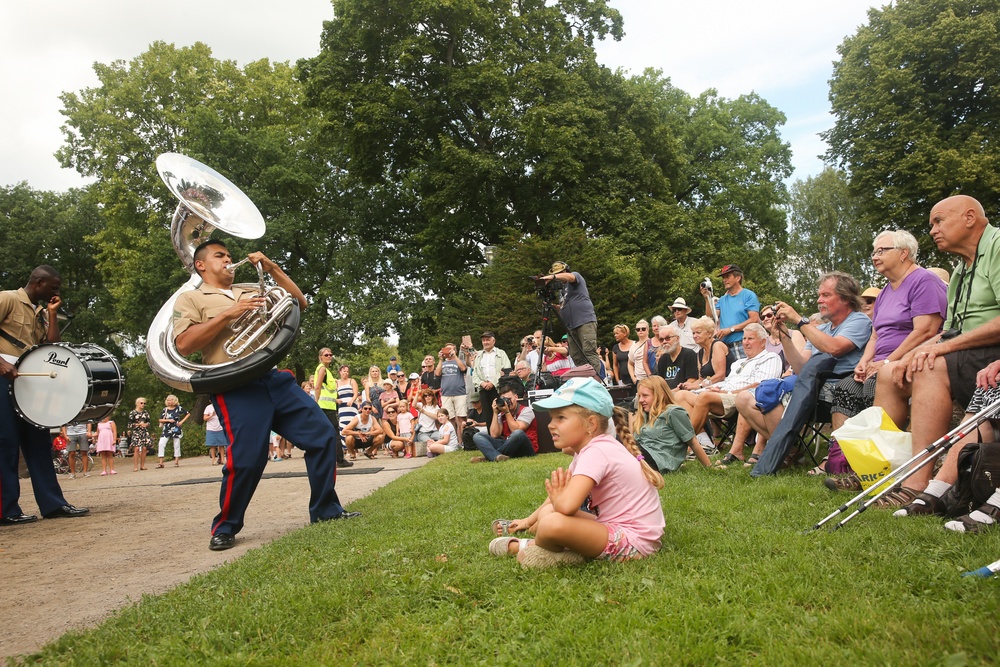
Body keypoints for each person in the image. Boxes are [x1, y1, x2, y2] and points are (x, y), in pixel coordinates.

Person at [173, 240, 358, 551]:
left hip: (273, 379)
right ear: (201, 265)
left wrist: (271, 267)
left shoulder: (250, 291)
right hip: (234, 386)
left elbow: (298, 302)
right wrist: (228, 315)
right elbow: (184, 345)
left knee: (324, 436)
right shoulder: (191, 298)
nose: (229, 260)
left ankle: (326, 511)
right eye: (220, 256)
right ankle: (226, 526)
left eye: (230, 255)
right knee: (247, 460)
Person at [872, 195, 1000, 506]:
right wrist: (907, 356)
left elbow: (951, 337)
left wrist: (937, 351)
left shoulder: (997, 248)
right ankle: (875, 470)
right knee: (892, 371)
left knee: (929, 364)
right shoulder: (961, 269)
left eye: (938, 221)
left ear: (969, 217)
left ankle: (918, 481)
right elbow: (949, 329)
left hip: (992, 353)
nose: (932, 230)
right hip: (969, 352)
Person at [487, 378, 664, 568]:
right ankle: (560, 549)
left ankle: (538, 548)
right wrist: (527, 521)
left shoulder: (597, 452)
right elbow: (555, 504)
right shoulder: (590, 450)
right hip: (617, 528)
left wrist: (558, 500)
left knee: (551, 524)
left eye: (560, 417)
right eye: (552, 417)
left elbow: (566, 506)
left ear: (591, 424)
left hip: (635, 542)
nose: (550, 424)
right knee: (547, 514)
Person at [824, 230, 946, 486]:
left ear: (903, 253)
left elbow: (926, 330)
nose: (875, 256)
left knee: (873, 386)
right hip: (880, 363)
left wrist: (888, 362)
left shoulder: (923, 281)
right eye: (874, 252)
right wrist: (864, 361)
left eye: (882, 250)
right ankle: (844, 461)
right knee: (844, 388)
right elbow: (875, 336)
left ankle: (884, 466)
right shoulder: (886, 292)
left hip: (911, 360)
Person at [746, 272, 872, 477]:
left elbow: (835, 348)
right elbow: (801, 368)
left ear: (846, 298)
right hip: (811, 389)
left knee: (774, 396)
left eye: (826, 295)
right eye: (819, 295)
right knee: (749, 399)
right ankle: (789, 451)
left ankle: (781, 453)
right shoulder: (821, 328)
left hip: (841, 389)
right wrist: (785, 336)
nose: (819, 300)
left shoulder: (859, 321)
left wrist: (799, 320)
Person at [0, 265, 89, 525]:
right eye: (53, 287)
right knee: (5, 442)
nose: (56, 291)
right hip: (3, 375)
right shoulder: (7, 298)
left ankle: (53, 504)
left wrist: (52, 314)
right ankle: (6, 510)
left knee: (38, 443)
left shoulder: (39, 311)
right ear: (38, 282)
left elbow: (51, 345)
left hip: (26, 382)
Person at [673, 324, 782, 442]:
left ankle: (686, 443)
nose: (745, 342)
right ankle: (704, 442)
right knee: (681, 395)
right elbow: (727, 381)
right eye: (744, 339)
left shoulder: (770, 358)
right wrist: (714, 388)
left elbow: (760, 386)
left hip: (742, 399)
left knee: (705, 397)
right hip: (723, 396)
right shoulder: (738, 363)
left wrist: (725, 392)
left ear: (762, 342)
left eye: (750, 339)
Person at [633, 376, 711, 472]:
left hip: (658, 460)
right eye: (639, 396)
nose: (640, 400)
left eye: (645, 396)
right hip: (641, 455)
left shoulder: (673, 412)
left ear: (660, 395)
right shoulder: (645, 415)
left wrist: (709, 467)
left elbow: (693, 441)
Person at [539, 261, 601, 371]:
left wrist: (552, 277)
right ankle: (585, 379)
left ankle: (595, 381)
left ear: (565, 271)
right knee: (576, 355)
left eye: (560, 273)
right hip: (571, 326)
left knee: (589, 351)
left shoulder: (575, 276)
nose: (558, 277)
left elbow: (570, 277)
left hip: (584, 321)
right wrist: (552, 306)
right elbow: (563, 307)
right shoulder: (562, 290)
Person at [702, 264, 760, 360]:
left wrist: (730, 329)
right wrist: (707, 298)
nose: (724, 280)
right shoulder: (722, 299)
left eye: (727, 276)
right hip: (725, 346)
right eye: (723, 277)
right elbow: (710, 316)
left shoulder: (748, 295)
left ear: (738, 278)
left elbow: (754, 319)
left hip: (743, 344)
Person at [470, 382, 538, 463]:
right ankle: (496, 456)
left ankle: (490, 456)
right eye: (504, 400)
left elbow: (516, 429)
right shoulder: (501, 413)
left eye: (509, 399)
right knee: (477, 436)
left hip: (525, 446)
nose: (507, 402)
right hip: (508, 445)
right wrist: (495, 413)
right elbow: (494, 435)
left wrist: (507, 412)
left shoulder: (526, 410)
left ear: (516, 397)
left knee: (518, 433)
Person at [313, 349, 352, 468]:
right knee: (335, 434)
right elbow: (318, 386)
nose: (329, 356)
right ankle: (340, 460)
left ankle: (325, 460)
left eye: (330, 354)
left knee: (325, 434)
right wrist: (316, 403)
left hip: (328, 406)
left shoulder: (325, 370)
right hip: (325, 407)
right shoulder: (323, 369)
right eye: (326, 355)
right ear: (320, 357)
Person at [678, 316, 730, 390]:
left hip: (724, 386)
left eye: (698, 332)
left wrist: (700, 386)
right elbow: (701, 379)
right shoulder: (700, 352)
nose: (694, 336)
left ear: (709, 333)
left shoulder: (717, 346)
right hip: (709, 387)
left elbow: (720, 375)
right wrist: (688, 385)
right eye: (693, 333)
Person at [471, 331, 510, 425]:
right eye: (483, 340)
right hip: (483, 388)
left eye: (488, 340)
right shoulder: (479, 355)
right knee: (488, 415)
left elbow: (506, 370)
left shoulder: (501, 353)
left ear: (494, 341)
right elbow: (474, 373)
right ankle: (490, 436)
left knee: (501, 412)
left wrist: (493, 382)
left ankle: (503, 437)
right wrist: (482, 383)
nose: (485, 342)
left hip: (498, 388)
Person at [435, 343, 468, 442]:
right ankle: (453, 441)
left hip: (460, 393)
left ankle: (462, 442)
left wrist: (455, 356)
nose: (448, 351)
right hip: (446, 394)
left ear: (455, 350)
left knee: (461, 418)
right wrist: (440, 359)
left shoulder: (459, 361)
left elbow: (463, 368)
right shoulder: (442, 363)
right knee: (450, 419)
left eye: (451, 349)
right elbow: (437, 373)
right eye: (446, 349)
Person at [653, 323, 699, 390]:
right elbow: (660, 382)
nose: (664, 342)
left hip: (683, 394)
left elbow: (692, 380)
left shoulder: (689, 354)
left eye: (668, 338)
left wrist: (672, 393)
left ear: (677, 338)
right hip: (667, 395)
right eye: (661, 340)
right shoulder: (663, 359)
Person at [155, 395, 189, 468]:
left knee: (176, 445)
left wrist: (181, 422)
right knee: (161, 443)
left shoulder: (179, 408)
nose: (169, 401)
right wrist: (168, 420)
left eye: (171, 400)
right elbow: (160, 419)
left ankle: (176, 461)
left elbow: (188, 414)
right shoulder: (165, 409)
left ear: (174, 400)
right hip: (166, 428)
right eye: (168, 400)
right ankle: (161, 462)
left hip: (176, 428)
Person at [335, 365, 359, 451]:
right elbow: (333, 394)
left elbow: (356, 393)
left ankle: (355, 447)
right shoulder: (336, 382)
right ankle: (345, 448)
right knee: (343, 425)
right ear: (340, 372)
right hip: (342, 407)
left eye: (347, 371)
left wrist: (352, 400)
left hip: (351, 407)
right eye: (344, 371)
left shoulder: (352, 381)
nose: (346, 373)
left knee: (353, 425)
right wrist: (336, 399)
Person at [128, 397, 152, 472]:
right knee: (137, 449)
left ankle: (142, 465)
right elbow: (129, 425)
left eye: (144, 403)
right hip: (136, 432)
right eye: (141, 403)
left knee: (145, 448)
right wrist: (138, 425)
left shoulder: (145, 412)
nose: (143, 405)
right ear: (137, 403)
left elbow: (149, 422)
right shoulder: (132, 413)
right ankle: (135, 466)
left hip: (144, 431)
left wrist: (145, 424)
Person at [628, 319, 651, 384]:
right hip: (639, 379)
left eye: (643, 329)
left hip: (652, 377)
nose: (640, 331)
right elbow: (630, 363)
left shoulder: (652, 343)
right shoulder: (633, 347)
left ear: (648, 330)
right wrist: (633, 378)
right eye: (638, 329)